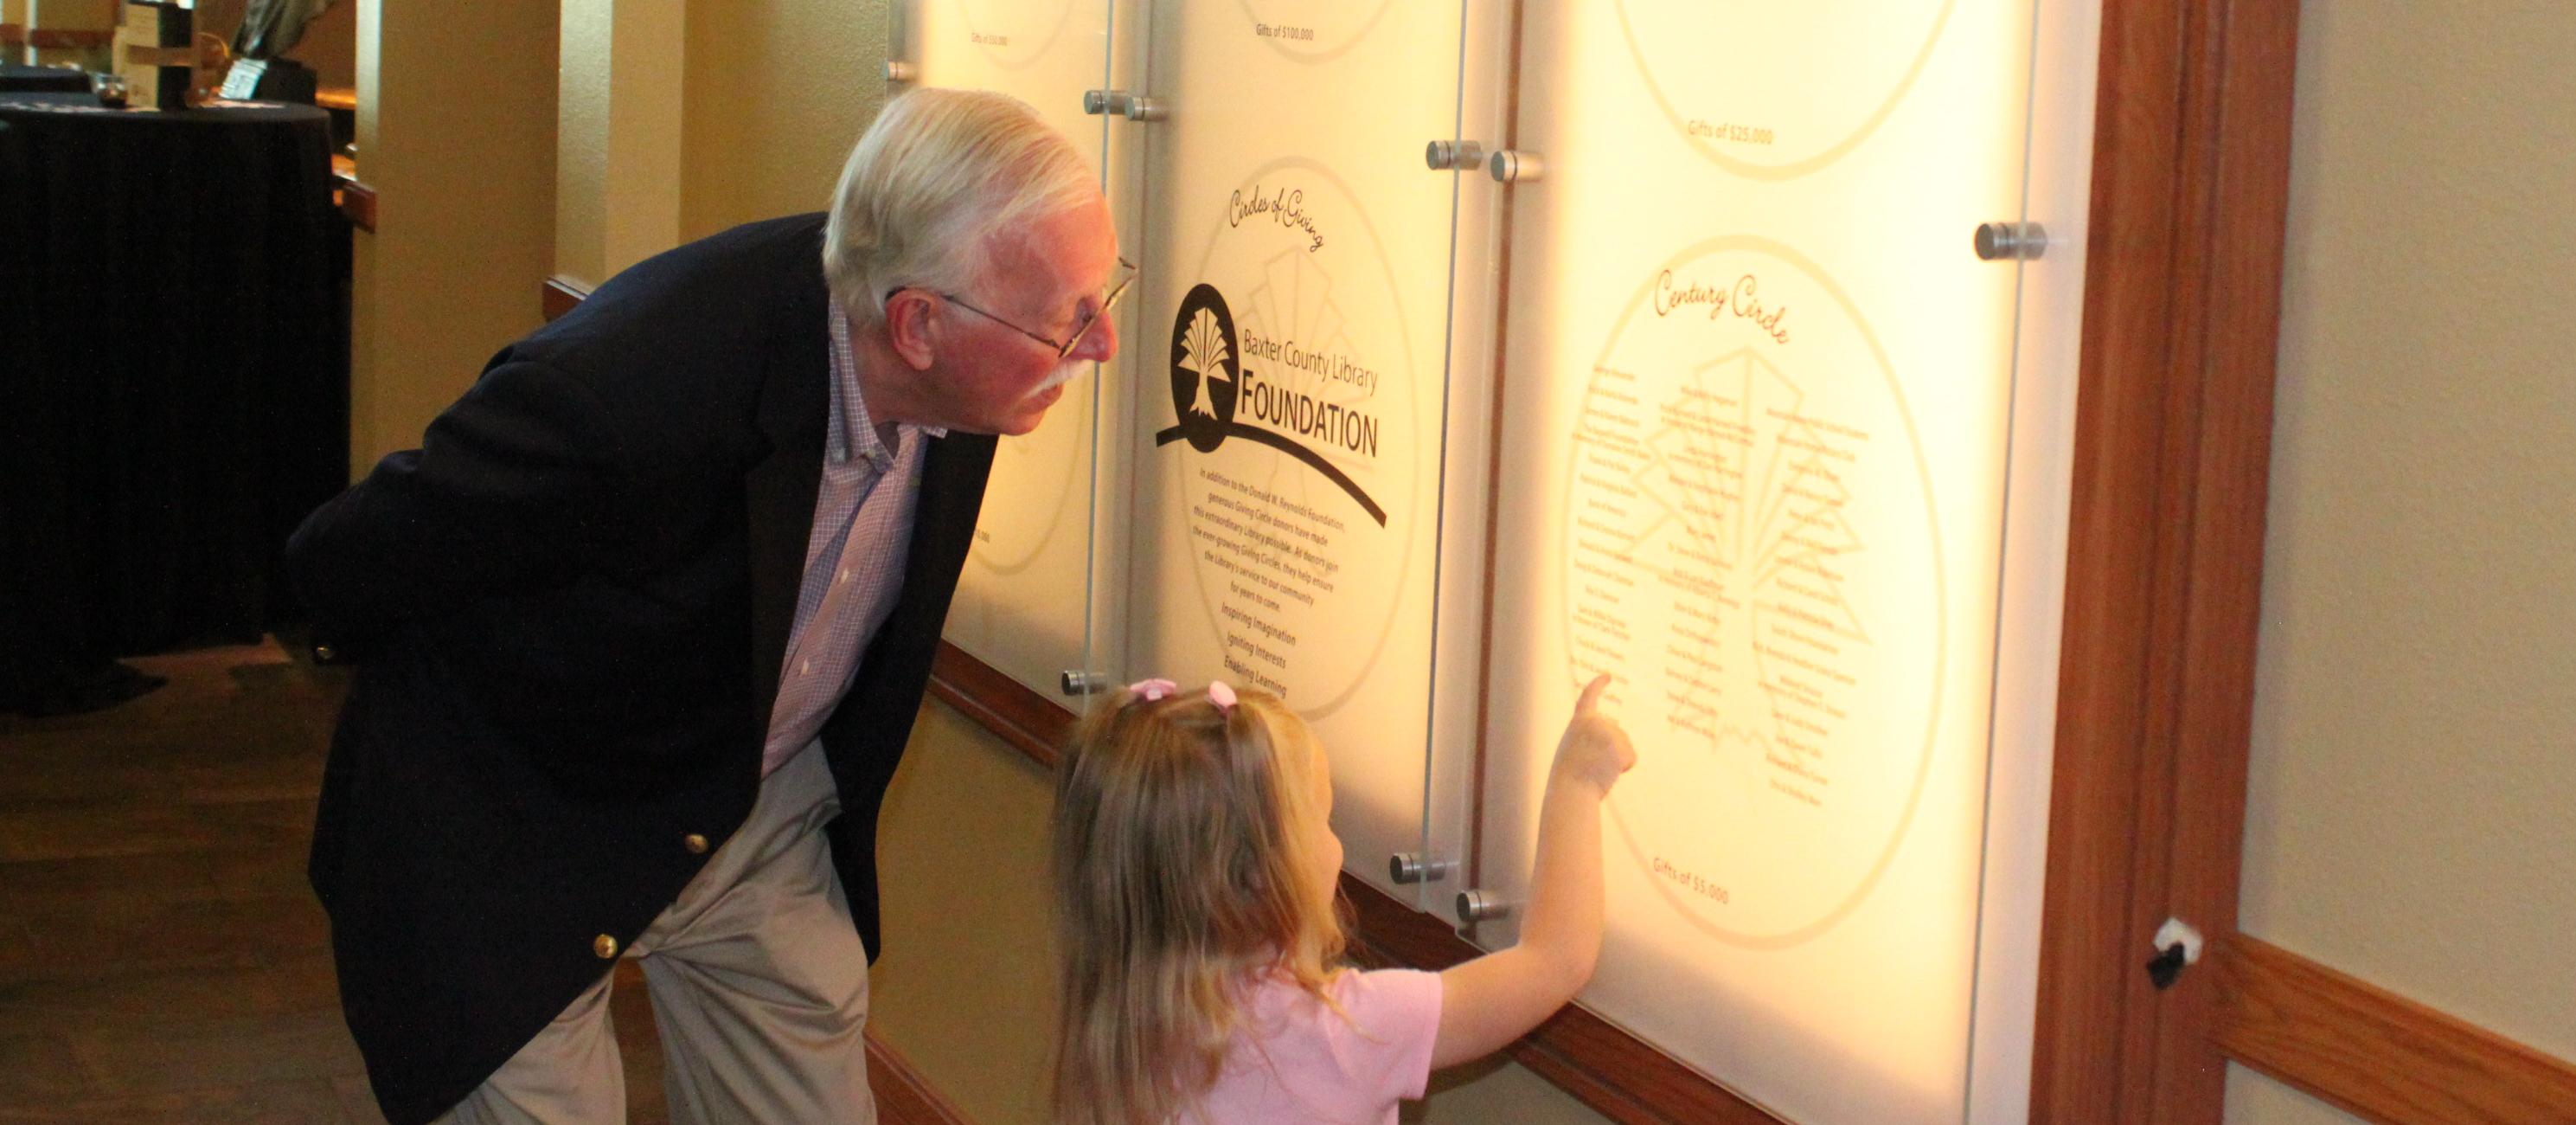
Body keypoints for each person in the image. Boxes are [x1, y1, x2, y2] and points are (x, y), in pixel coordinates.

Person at [285, 88, 1127, 1124]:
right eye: (1069, 318)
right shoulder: (630, 390)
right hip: (514, 825)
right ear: (915, 324)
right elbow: (351, 557)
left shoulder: (971, 364)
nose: (1102, 344)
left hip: (749, 804)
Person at [1050, 673, 1637, 1125]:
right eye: (1324, 820)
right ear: (1260, 875)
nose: (1337, 843)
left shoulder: (1121, 1018)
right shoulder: (1340, 1032)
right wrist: (1578, 783)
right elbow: (1555, 958)